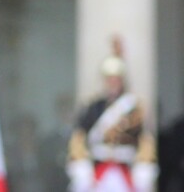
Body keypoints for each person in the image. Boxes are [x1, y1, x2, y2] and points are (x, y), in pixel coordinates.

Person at [67, 37, 158, 192]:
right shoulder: (93, 107)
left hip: (125, 169)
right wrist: (82, 168)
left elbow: (144, 141)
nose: (113, 83)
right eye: (110, 79)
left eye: (116, 79)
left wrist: (143, 169)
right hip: (98, 171)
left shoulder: (134, 108)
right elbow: (79, 138)